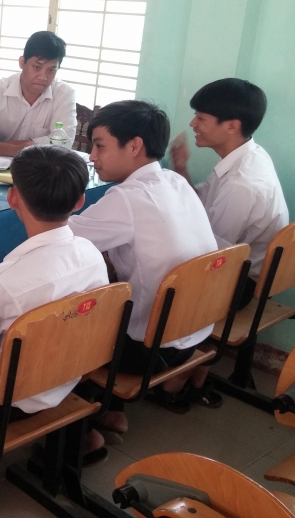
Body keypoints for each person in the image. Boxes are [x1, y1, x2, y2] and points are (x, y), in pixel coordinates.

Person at [0, 146, 109, 518]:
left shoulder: (6, 281)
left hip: (2, 402)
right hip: (68, 379)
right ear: (79, 201)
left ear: (12, 196)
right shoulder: (92, 254)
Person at [68, 101, 217, 433]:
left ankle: (83, 435)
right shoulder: (176, 183)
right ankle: (111, 411)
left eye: (99, 146)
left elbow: (61, 239)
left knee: (65, 326)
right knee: (114, 292)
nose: (92, 156)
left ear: (134, 146)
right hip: (194, 333)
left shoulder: (127, 198)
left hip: (150, 349)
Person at [171, 78, 288, 302]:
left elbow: (209, 254)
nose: (192, 123)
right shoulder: (249, 155)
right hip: (232, 267)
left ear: (232, 126)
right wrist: (181, 167)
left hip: (239, 284)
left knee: (145, 277)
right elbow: (200, 201)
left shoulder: (241, 183)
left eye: (201, 118)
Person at [0, 31, 77, 157]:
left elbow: (63, 143)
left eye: (51, 70)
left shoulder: (64, 94)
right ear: (22, 62)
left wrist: (4, 146)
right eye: (37, 67)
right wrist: (13, 149)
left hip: (41, 169)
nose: (43, 77)